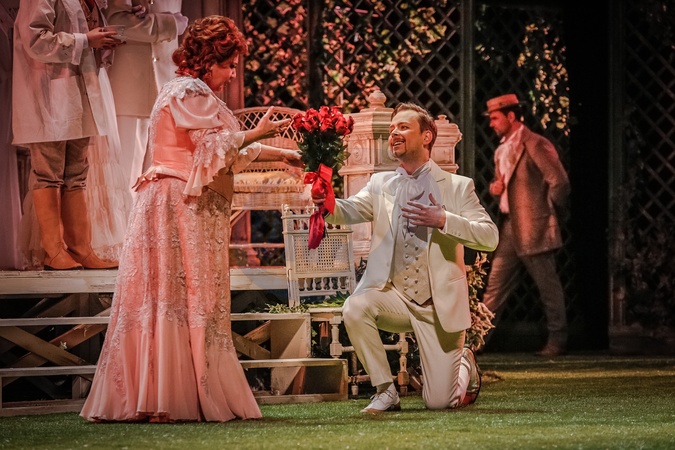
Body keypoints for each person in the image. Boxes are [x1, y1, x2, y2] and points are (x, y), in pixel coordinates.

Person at [81, 15, 301, 422]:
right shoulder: (189, 91)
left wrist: (283, 153)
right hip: (178, 203)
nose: (232, 73)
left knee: (182, 296)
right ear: (208, 60)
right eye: (228, 65)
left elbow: (224, 147)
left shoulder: (192, 92)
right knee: (178, 295)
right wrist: (257, 133)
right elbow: (211, 149)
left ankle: (167, 390)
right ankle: (168, 394)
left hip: (182, 200)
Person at [312, 103, 498, 412]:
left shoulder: (457, 186)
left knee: (440, 402)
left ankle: (464, 363)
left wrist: (443, 220)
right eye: (392, 129)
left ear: (426, 136)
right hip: (396, 299)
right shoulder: (381, 184)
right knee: (355, 307)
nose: (394, 133)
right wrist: (327, 201)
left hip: (437, 308)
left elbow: (490, 237)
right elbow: (348, 210)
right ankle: (385, 390)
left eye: (403, 127)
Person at [12, 0, 123, 270]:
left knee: (77, 172)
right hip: (49, 92)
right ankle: (53, 250)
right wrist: (85, 40)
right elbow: (36, 39)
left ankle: (80, 248)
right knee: (48, 172)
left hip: (79, 91)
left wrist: (102, 43)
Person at [481, 94, 570, 357]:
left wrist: (548, 213)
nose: (491, 124)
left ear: (511, 116)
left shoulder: (535, 143)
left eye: (495, 118)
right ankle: (476, 341)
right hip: (510, 225)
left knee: (547, 286)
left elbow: (559, 182)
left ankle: (558, 340)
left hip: (533, 225)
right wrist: (495, 188)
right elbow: (503, 183)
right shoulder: (502, 148)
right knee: (495, 286)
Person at [104, 0, 187, 192]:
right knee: (126, 172)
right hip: (131, 86)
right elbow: (116, 24)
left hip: (167, 84)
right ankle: (126, 213)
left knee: (159, 175)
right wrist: (170, 24)